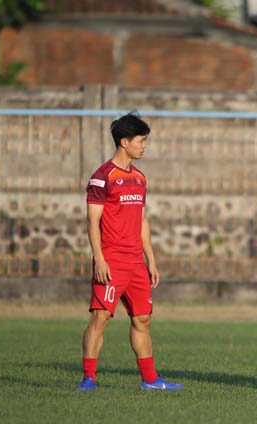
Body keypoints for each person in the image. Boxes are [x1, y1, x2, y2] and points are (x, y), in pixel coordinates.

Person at [75, 113, 182, 392]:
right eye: (140, 140)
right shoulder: (102, 177)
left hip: (136, 262)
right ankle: (89, 378)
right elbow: (92, 221)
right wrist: (99, 258)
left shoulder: (139, 178)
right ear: (124, 142)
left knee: (142, 319)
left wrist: (152, 260)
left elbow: (143, 221)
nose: (144, 146)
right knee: (100, 317)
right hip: (111, 260)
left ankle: (150, 380)